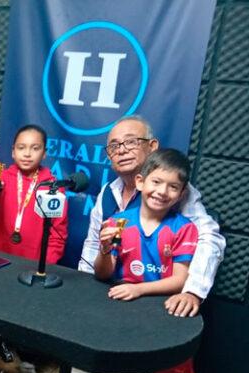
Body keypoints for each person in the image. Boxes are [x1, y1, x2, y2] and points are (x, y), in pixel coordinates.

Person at [94, 149, 199, 373]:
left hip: (165, 316)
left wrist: (138, 289)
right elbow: (103, 273)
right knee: (121, 370)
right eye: (155, 181)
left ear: (181, 193)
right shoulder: (117, 222)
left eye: (172, 186)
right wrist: (104, 250)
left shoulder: (184, 229)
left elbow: (180, 280)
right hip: (124, 311)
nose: (161, 191)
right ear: (140, 182)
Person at [79, 115, 225, 317]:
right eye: (114, 146)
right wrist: (83, 288)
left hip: (156, 302)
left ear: (152, 145)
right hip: (112, 293)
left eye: (131, 142)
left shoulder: (175, 192)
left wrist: (193, 291)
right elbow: (93, 244)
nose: (121, 150)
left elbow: (209, 238)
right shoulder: (107, 192)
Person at [0, 125, 68, 373]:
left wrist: (46, 265)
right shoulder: (1, 178)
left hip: (32, 266)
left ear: (44, 152)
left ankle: (28, 364)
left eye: (35, 148)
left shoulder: (53, 188)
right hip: (0, 260)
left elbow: (57, 233)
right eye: (21, 148)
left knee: (26, 319)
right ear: (12, 150)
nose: (27, 154)